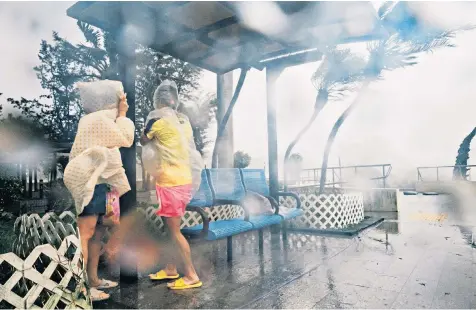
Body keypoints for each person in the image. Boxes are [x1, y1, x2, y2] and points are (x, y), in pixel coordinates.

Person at [64, 80, 135, 301]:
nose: (120, 101)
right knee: (86, 233)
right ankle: (82, 287)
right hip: (90, 181)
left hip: (103, 181)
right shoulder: (95, 119)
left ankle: (93, 279)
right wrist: (123, 114)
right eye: (117, 97)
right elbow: (127, 138)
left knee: (98, 232)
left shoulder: (102, 119)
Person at [141, 80, 202, 290]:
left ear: (158, 101)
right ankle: (170, 268)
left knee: (175, 231)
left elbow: (143, 140)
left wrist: (149, 123)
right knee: (170, 228)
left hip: (171, 182)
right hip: (184, 180)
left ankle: (192, 275)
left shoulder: (157, 121)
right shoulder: (183, 121)